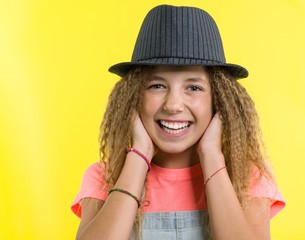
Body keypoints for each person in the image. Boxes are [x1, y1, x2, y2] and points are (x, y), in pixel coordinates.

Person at [71, 4, 285, 240]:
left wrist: (211, 156)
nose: (173, 105)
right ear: (133, 97)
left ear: (220, 100)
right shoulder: (104, 177)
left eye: (194, 87)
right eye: (157, 86)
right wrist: (139, 155)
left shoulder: (247, 178)